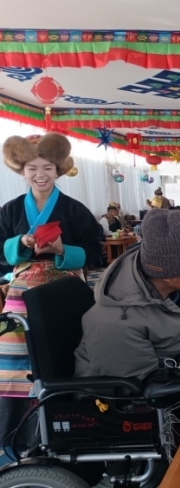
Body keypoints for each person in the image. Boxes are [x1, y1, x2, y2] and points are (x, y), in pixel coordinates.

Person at [0, 133, 102, 448]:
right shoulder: (11, 209)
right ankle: (15, 433)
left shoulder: (75, 209)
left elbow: (94, 254)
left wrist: (62, 249)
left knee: (65, 350)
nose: (40, 174)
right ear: (21, 171)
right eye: (32, 168)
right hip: (21, 292)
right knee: (12, 352)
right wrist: (20, 244)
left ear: (58, 170)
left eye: (47, 167)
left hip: (65, 289)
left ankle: (68, 423)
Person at [75, 208, 180, 386]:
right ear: (170, 274)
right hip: (125, 402)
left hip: (177, 380)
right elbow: (138, 387)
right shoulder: (114, 323)